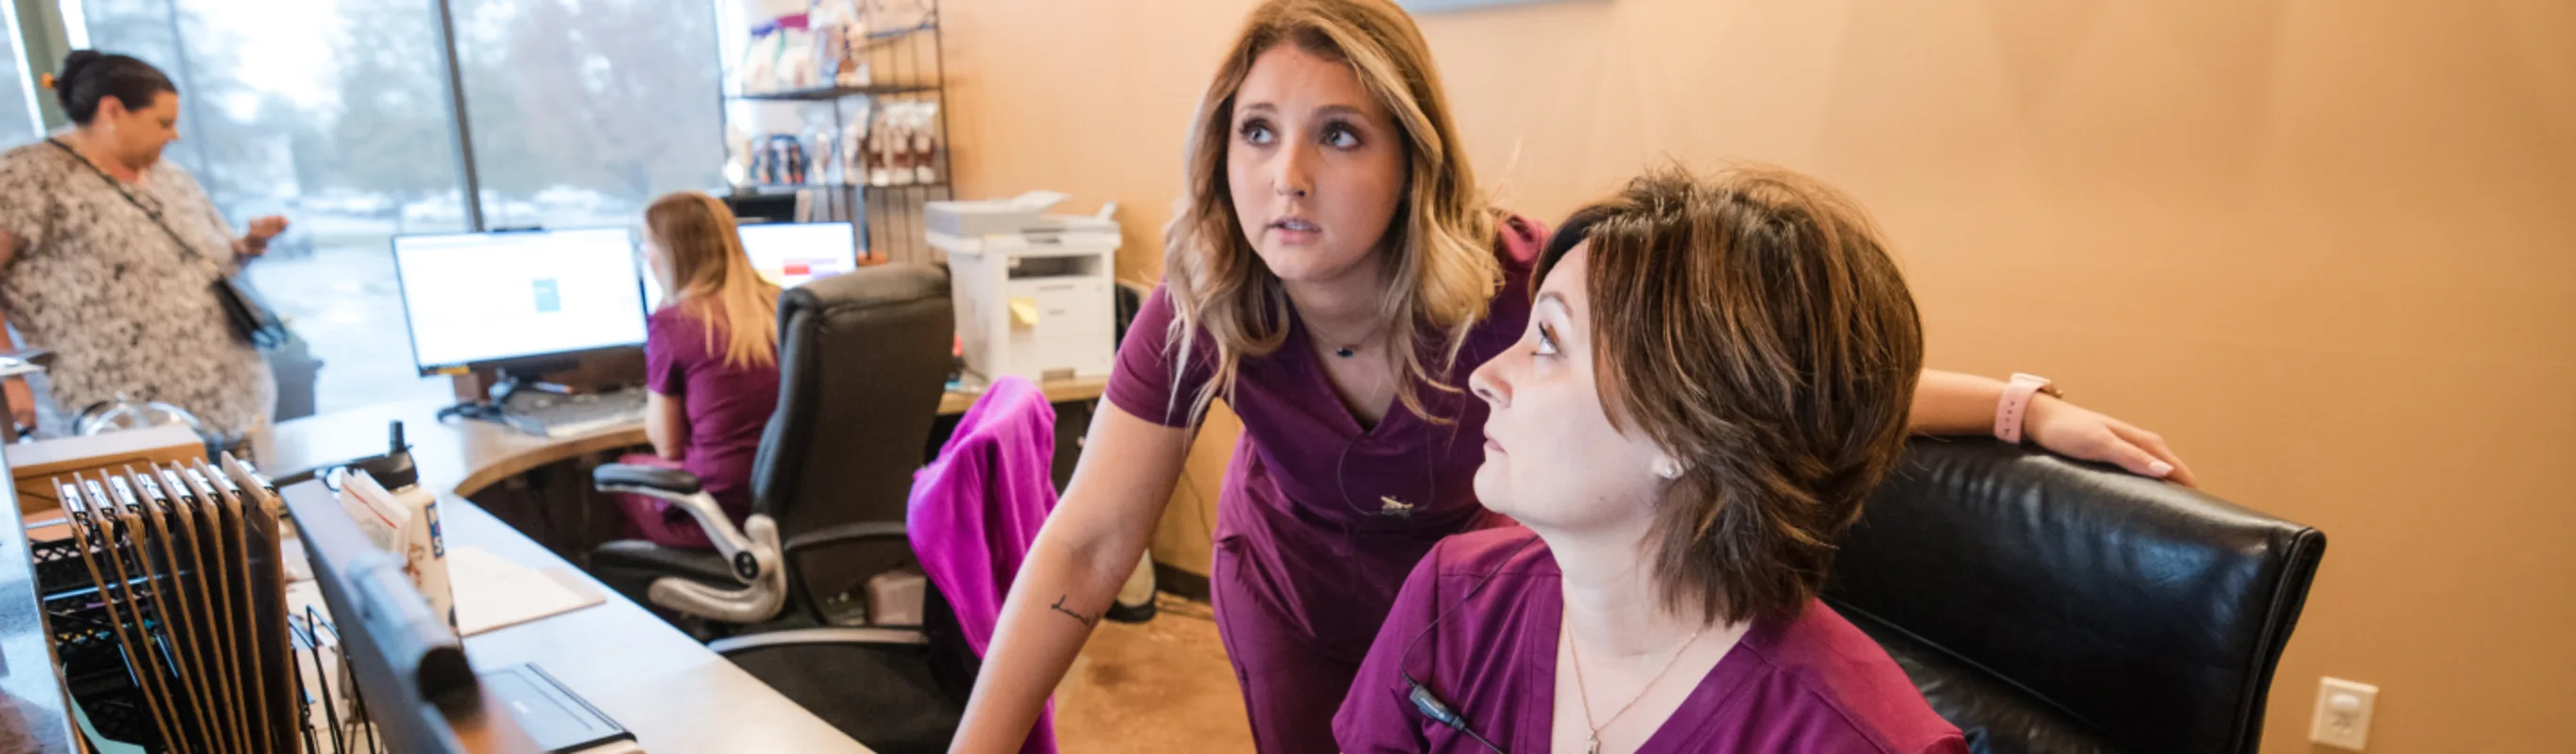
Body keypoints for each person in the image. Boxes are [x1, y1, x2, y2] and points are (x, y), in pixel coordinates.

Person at [949, 2, 2191, 751]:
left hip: (1515, 603)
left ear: (1411, 155)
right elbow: (1087, 543)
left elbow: (1739, 374)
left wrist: (2022, 407)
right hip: (1312, 600)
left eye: (1337, 133)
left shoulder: (1518, 281)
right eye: (1255, 131)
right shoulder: (1206, 297)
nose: (1286, 177)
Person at [1338, 168, 1964, 753]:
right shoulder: (1454, 597)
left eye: (1550, 342)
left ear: (1691, 431)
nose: (1485, 376)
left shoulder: (1857, 738)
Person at [0, 51, 288, 437]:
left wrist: (250, 243)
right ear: (112, 110)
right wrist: (9, 378)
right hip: (116, 426)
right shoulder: (28, 176)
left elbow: (216, 260)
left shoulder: (172, 177)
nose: (175, 135)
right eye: (164, 122)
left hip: (233, 409)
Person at [613, 191, 782, 548]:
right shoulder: (783, 305)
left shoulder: (675, 324)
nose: (646, 255)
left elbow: (668, 446)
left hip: (721, 513)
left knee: (625, 472)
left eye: (648, 244)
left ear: (671, 253)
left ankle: (651, 598)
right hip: (790, 505)